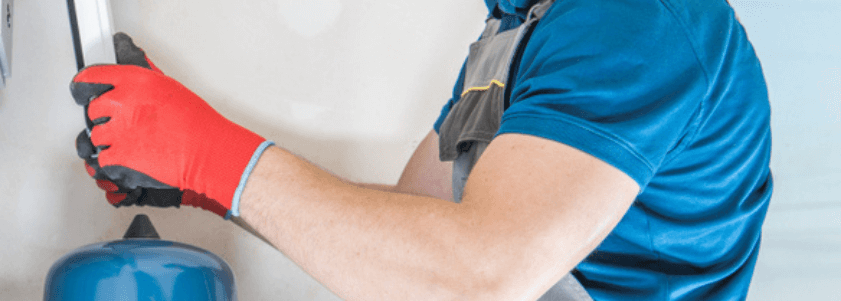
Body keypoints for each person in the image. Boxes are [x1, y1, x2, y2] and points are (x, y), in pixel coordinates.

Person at [68, 0, 772, 300]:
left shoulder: (632, 20)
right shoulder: (524, 26)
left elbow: (479, 273)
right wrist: (201, 182)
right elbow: (408, 243)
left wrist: (216, 157)